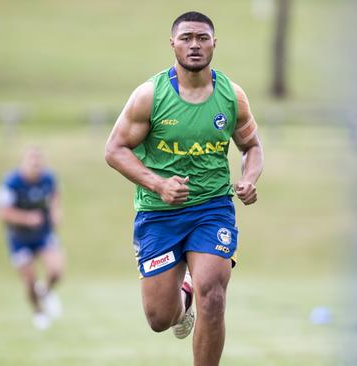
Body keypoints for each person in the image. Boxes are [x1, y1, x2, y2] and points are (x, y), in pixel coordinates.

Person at [105, 11, 264, 366]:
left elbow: (252, 147)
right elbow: (114, 150)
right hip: (159, 214)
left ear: (214, 44)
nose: (195, 45)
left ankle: (199, 295)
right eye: (187, 38)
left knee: (215, 296)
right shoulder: (150, 95)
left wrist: (249, 179)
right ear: (173, 44)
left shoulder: (231, 96)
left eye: (202, 38)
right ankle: (184, 297)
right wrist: (158, 184)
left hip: (212, 208)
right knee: (160, 318)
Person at [0, 147, 65, 330]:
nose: (36, 166)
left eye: (38, 162)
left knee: (56, 271)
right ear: (23, 163)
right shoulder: (11, 183)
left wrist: (56, 212)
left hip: (43, 234)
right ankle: (38, 313)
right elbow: (2, 212)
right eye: (31, 162)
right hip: (19, 238)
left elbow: (55, 195)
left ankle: (46, 291)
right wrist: (26, 218)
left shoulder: (48, 178)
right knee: (30, 281)